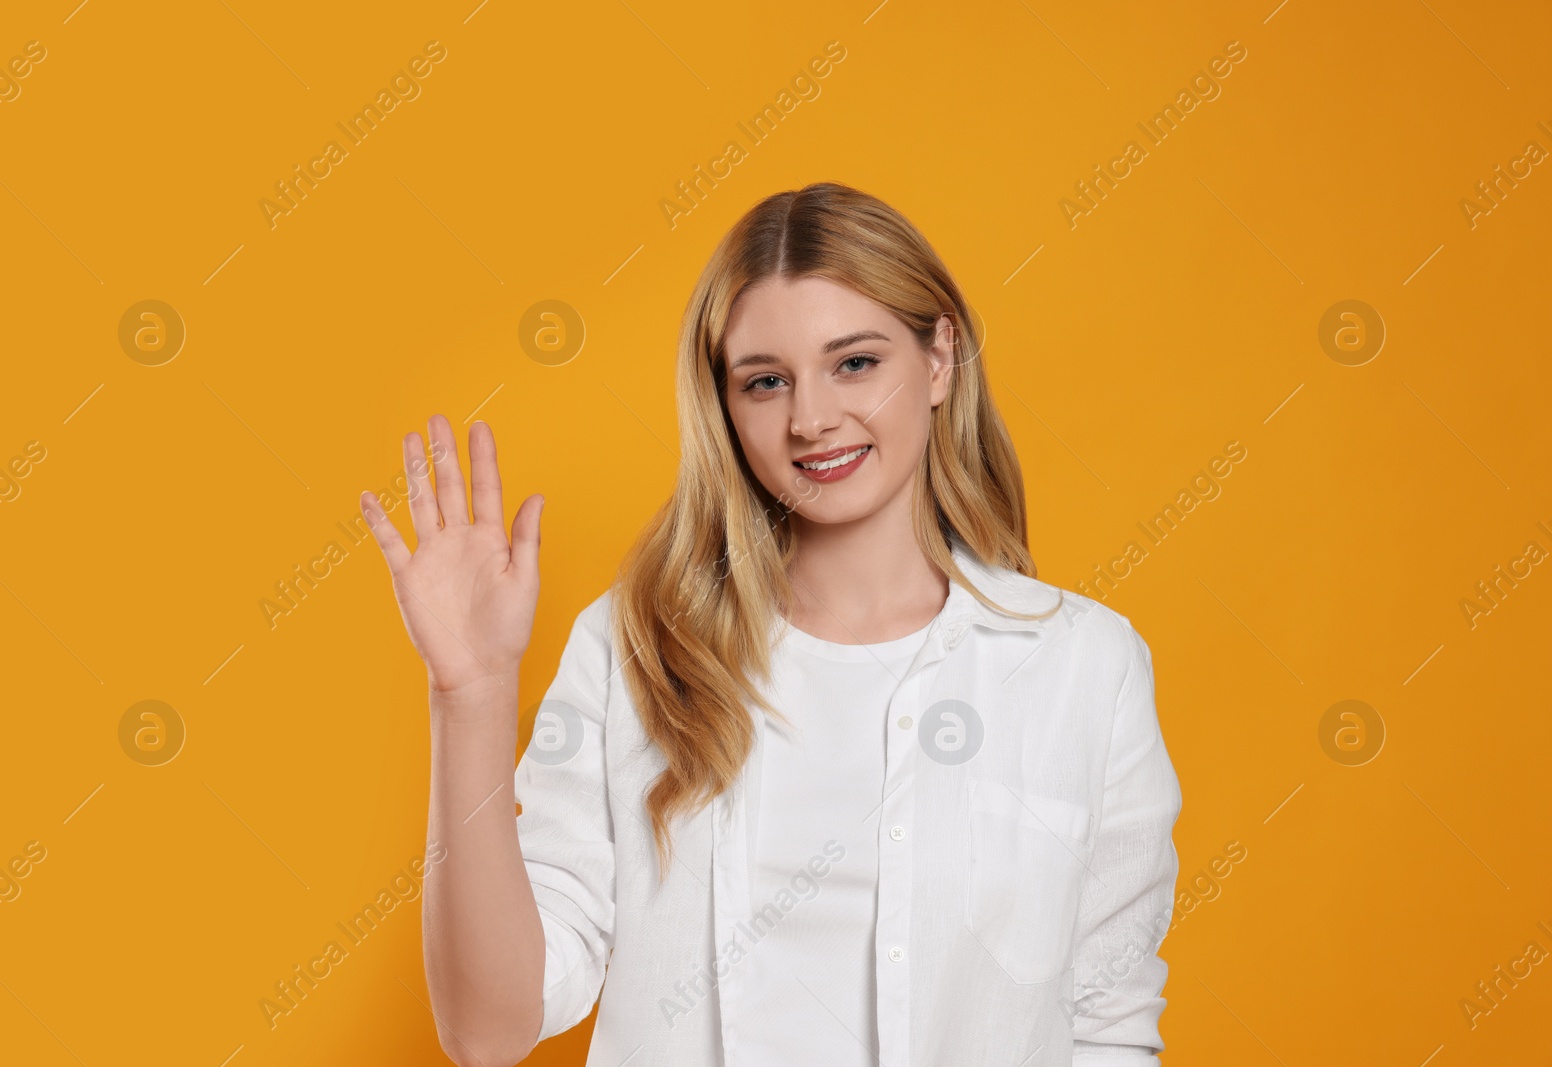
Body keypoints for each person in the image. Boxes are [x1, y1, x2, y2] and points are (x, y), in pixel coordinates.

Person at [361, 181, 1182, 1067]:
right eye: (766, 381)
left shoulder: (1083, 667)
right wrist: (471, 693)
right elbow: (489, 1029)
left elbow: (1107, 1024)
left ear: (940, 356)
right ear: (724, 402)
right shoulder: (633, 648)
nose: (812, 417)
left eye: (855, 362)